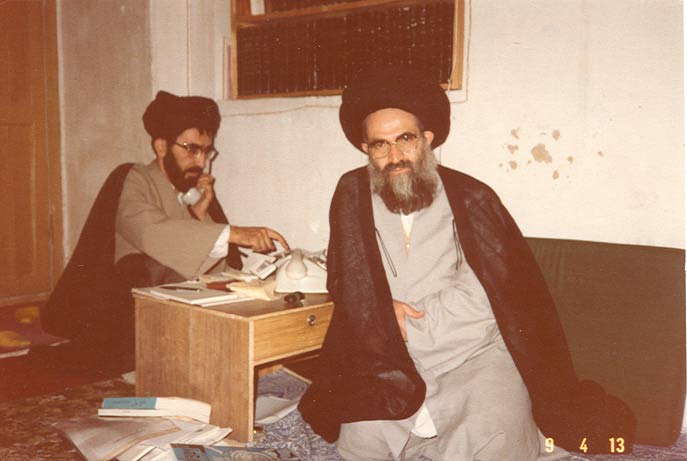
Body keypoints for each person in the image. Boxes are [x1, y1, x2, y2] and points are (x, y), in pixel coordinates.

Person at [298, 68, 635, 460]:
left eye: (405, 139)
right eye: (380, 145)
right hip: (388, 358)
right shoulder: (351, 192)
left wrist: (397, 322)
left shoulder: (471, 197)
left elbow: (490, 296)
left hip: (473, 355)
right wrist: (381, 318)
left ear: (427, 139)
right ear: (366, 150)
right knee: (360, 444)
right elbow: (346, 276)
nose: (394, 156)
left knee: (492, 437)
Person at [115, 90, 288, 286]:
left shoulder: (189, 190)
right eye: (192, 150)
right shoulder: (133, 179)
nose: (202, 162)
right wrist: (233, 234)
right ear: (161, 147)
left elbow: (214, 272)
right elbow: (150, 232)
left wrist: (199, 215)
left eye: (206, 152)